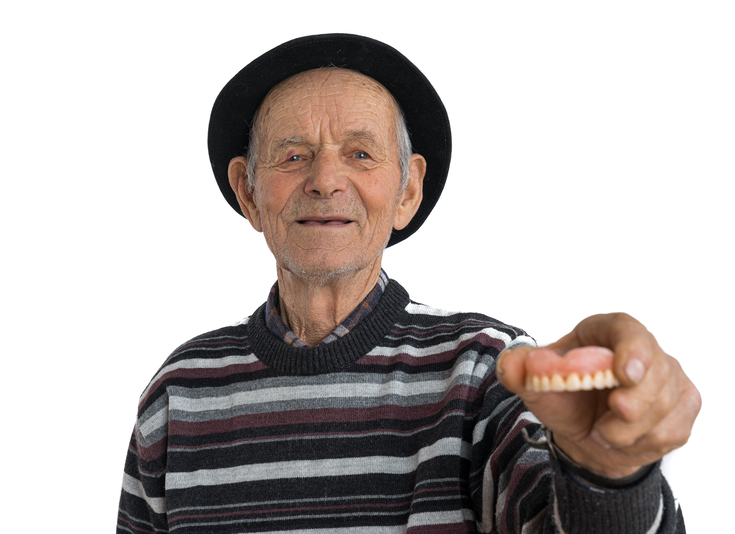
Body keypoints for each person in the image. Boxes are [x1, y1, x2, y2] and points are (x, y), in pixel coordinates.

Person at [116, 34, 700, 533]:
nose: (325, 180)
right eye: (293, 156)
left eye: (361, 154)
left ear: (407, 191)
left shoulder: (482, 370)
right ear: (247, 190)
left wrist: (608, 475)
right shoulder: (178, 394)